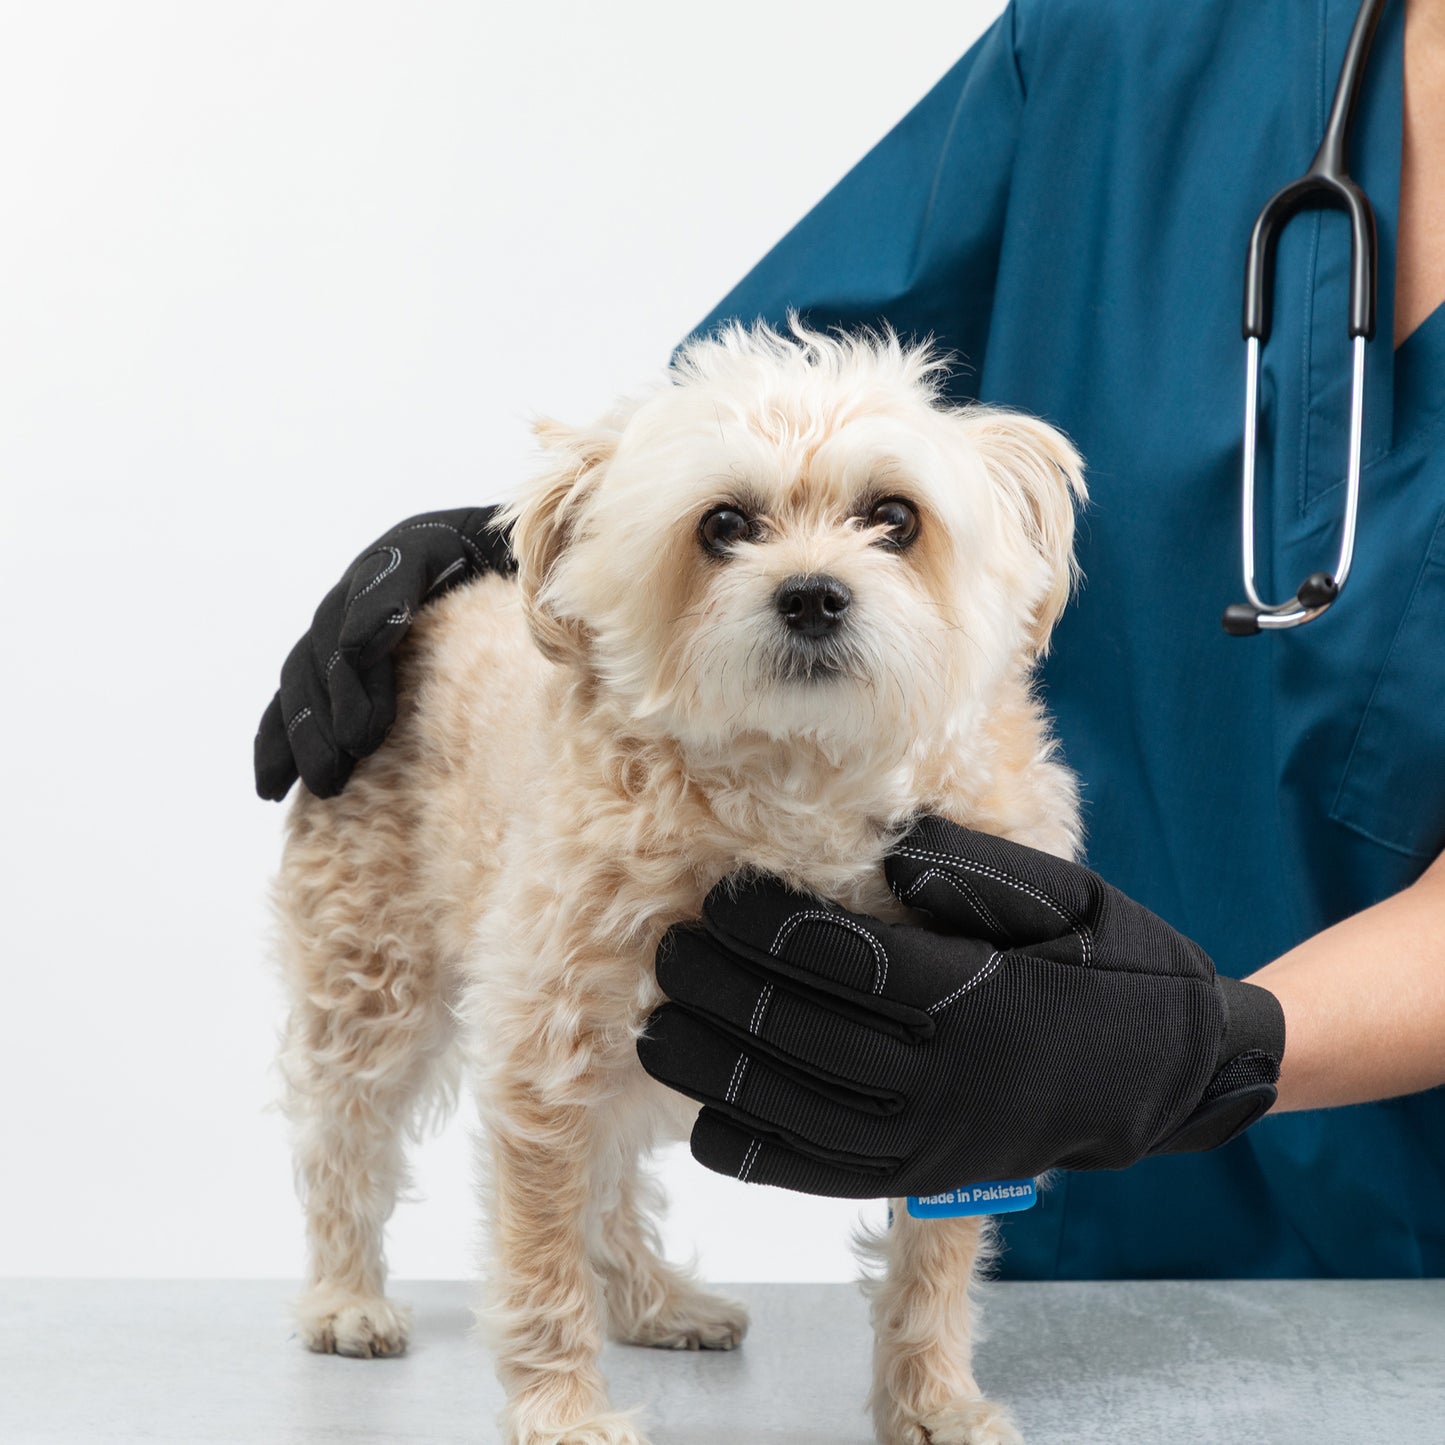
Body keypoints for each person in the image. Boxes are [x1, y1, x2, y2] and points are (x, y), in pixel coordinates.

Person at [255, 0, 1445, 1278]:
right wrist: (529, 546)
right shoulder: (1129, 39)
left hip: (1394, 1247)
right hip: (1017, 1215)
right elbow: (773, 401)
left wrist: (1204, 1049)